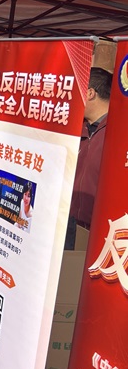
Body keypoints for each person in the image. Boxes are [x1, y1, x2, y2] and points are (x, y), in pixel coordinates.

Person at [66, 67, 112, 249]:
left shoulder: (118, 133)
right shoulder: (75, 128)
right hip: (68, 225)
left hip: (99, 232)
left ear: (90, 93)